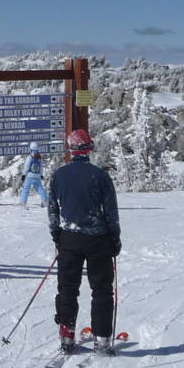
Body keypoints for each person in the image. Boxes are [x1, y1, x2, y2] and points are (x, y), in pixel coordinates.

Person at [48, 128, 121, 355]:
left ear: (70, 150)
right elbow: (111, 211)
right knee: (101, 289)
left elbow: (53, 210)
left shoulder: (58, 176)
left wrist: (57, 235)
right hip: (98, 239)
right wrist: (114, 238)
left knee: (67, 288)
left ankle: (67, 337)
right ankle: (102, 339)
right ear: (89, 148)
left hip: (70, 238)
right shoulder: (100, 176)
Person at [19, 142, 46, 208]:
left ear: (31, 148)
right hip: (37, 176)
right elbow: (41, 167)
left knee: (26, 189)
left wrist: (23, 174)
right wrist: (41, 175)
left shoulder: (30, 157)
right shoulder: (39, 158)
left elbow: (26, 167)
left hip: (30, 176)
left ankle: (23, 202)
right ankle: (45, 202)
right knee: (40, 189)